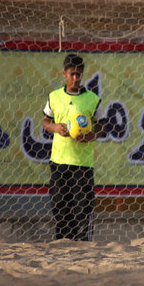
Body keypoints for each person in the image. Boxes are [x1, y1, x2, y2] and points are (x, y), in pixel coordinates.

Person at [42, 53, 104, 241]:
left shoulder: (92, 99)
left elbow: (101, 124)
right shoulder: (54, 97)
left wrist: (90, 136)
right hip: (59, 161)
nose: (76, 78)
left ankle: (82, 244)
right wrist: (55, 127)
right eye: (72, 74)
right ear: (64, 74)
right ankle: (62, 242)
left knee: (82, 207)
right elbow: (45, 121)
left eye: (79, 74)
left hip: (82, 163)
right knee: (60, 205)